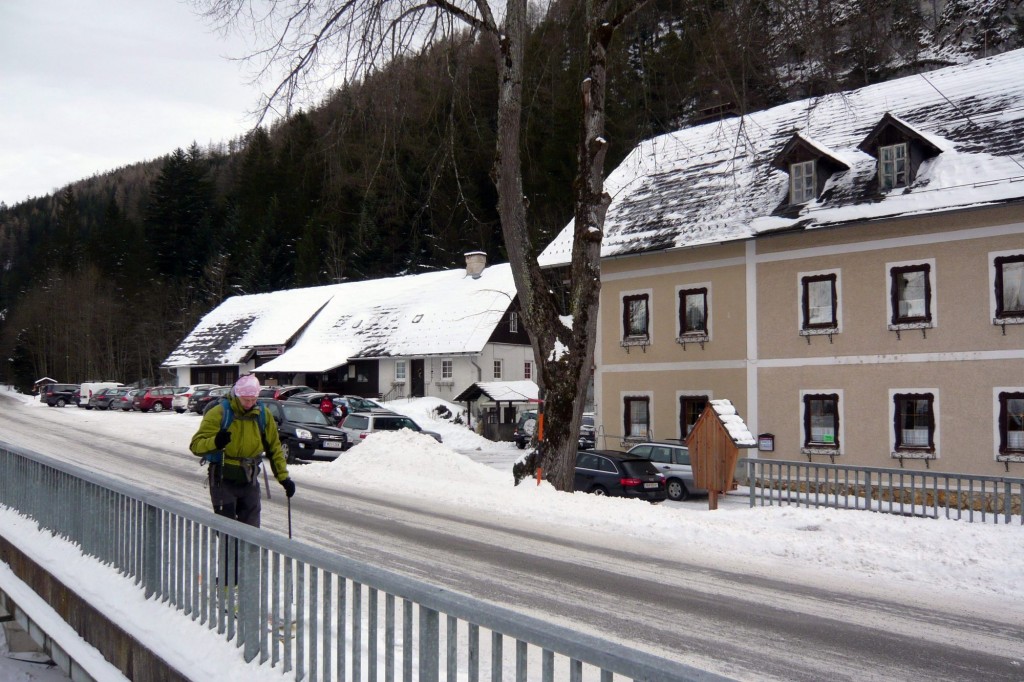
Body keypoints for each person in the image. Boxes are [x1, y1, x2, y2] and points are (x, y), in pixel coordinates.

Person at [190, 374, 296, 527]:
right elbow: (196, 445)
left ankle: (247, 552)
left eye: (253, 400)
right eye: (246, 400)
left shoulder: (263, 414)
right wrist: (215, 442)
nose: (250, 404)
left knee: (251, 533)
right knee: (228, 532)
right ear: (236, 395)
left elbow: (274, 448)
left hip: (249, 480)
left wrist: (284, 478)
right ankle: (229, 551)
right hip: (223, 479)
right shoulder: (220, 413)